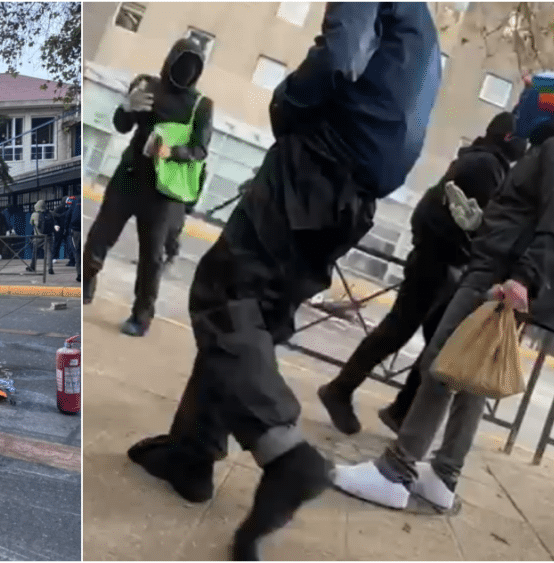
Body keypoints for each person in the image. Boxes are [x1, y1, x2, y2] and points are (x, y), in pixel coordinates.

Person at [126, 4, 441, 559]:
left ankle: (285, 454)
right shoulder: (422, 31)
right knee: (252, 318)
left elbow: (338, 61)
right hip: (354, 197)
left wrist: (287, 101)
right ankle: (193, 451)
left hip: (315, 165)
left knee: (223, 297)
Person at [333, 72, 554, 514]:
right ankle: (443, 477)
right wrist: (484, 225)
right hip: (504, 276)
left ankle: (396, 472)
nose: (518, 109)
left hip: (497, 279)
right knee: (470, 376)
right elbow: (534, 220)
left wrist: (522, 279)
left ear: (546, 106)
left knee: (440, 363)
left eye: (525, 99)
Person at [318, 112, 527, 436]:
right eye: (523, 139)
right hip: (441, 262)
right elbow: (482, 226)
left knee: (429, 341)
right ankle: (345, 392)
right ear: (511, 139)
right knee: (406, 332)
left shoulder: (482, 161)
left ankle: (395, 409)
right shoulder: (487, 167)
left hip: (442, 260)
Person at [82, 38, 213, 337]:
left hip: (162, 192)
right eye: (181, 63)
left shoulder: (201, 106)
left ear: (199, 71)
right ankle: (85, 286)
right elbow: (122, 126)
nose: (185, 71)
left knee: (151, 257)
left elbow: (200, 150)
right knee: (99, 237)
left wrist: (172, 152)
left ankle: (141, 316)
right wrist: (127, 107)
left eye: (193, 67)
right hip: (128, 177)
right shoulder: (146, 85)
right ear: (170, 60)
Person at [27, 199, 55, 275]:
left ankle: (32, 267)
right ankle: (50, 269)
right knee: (49, 253)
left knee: (34, 253)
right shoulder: (50, 213)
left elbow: (31, 224)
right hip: (48, 237)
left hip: (38, 237)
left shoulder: (34, 214)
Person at [71, 196, 82, 282]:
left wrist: (66, 229)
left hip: (76, 231)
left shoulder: (75, 202)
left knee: (77, 252)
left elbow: (68, 215)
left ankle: (79, 274)